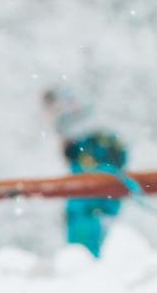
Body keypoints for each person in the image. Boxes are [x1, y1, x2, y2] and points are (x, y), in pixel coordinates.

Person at [42, 87, 128, 258]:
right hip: (88, 211)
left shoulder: (93, 145)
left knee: (87, 256)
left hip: (91, 212)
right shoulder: (85, 148)